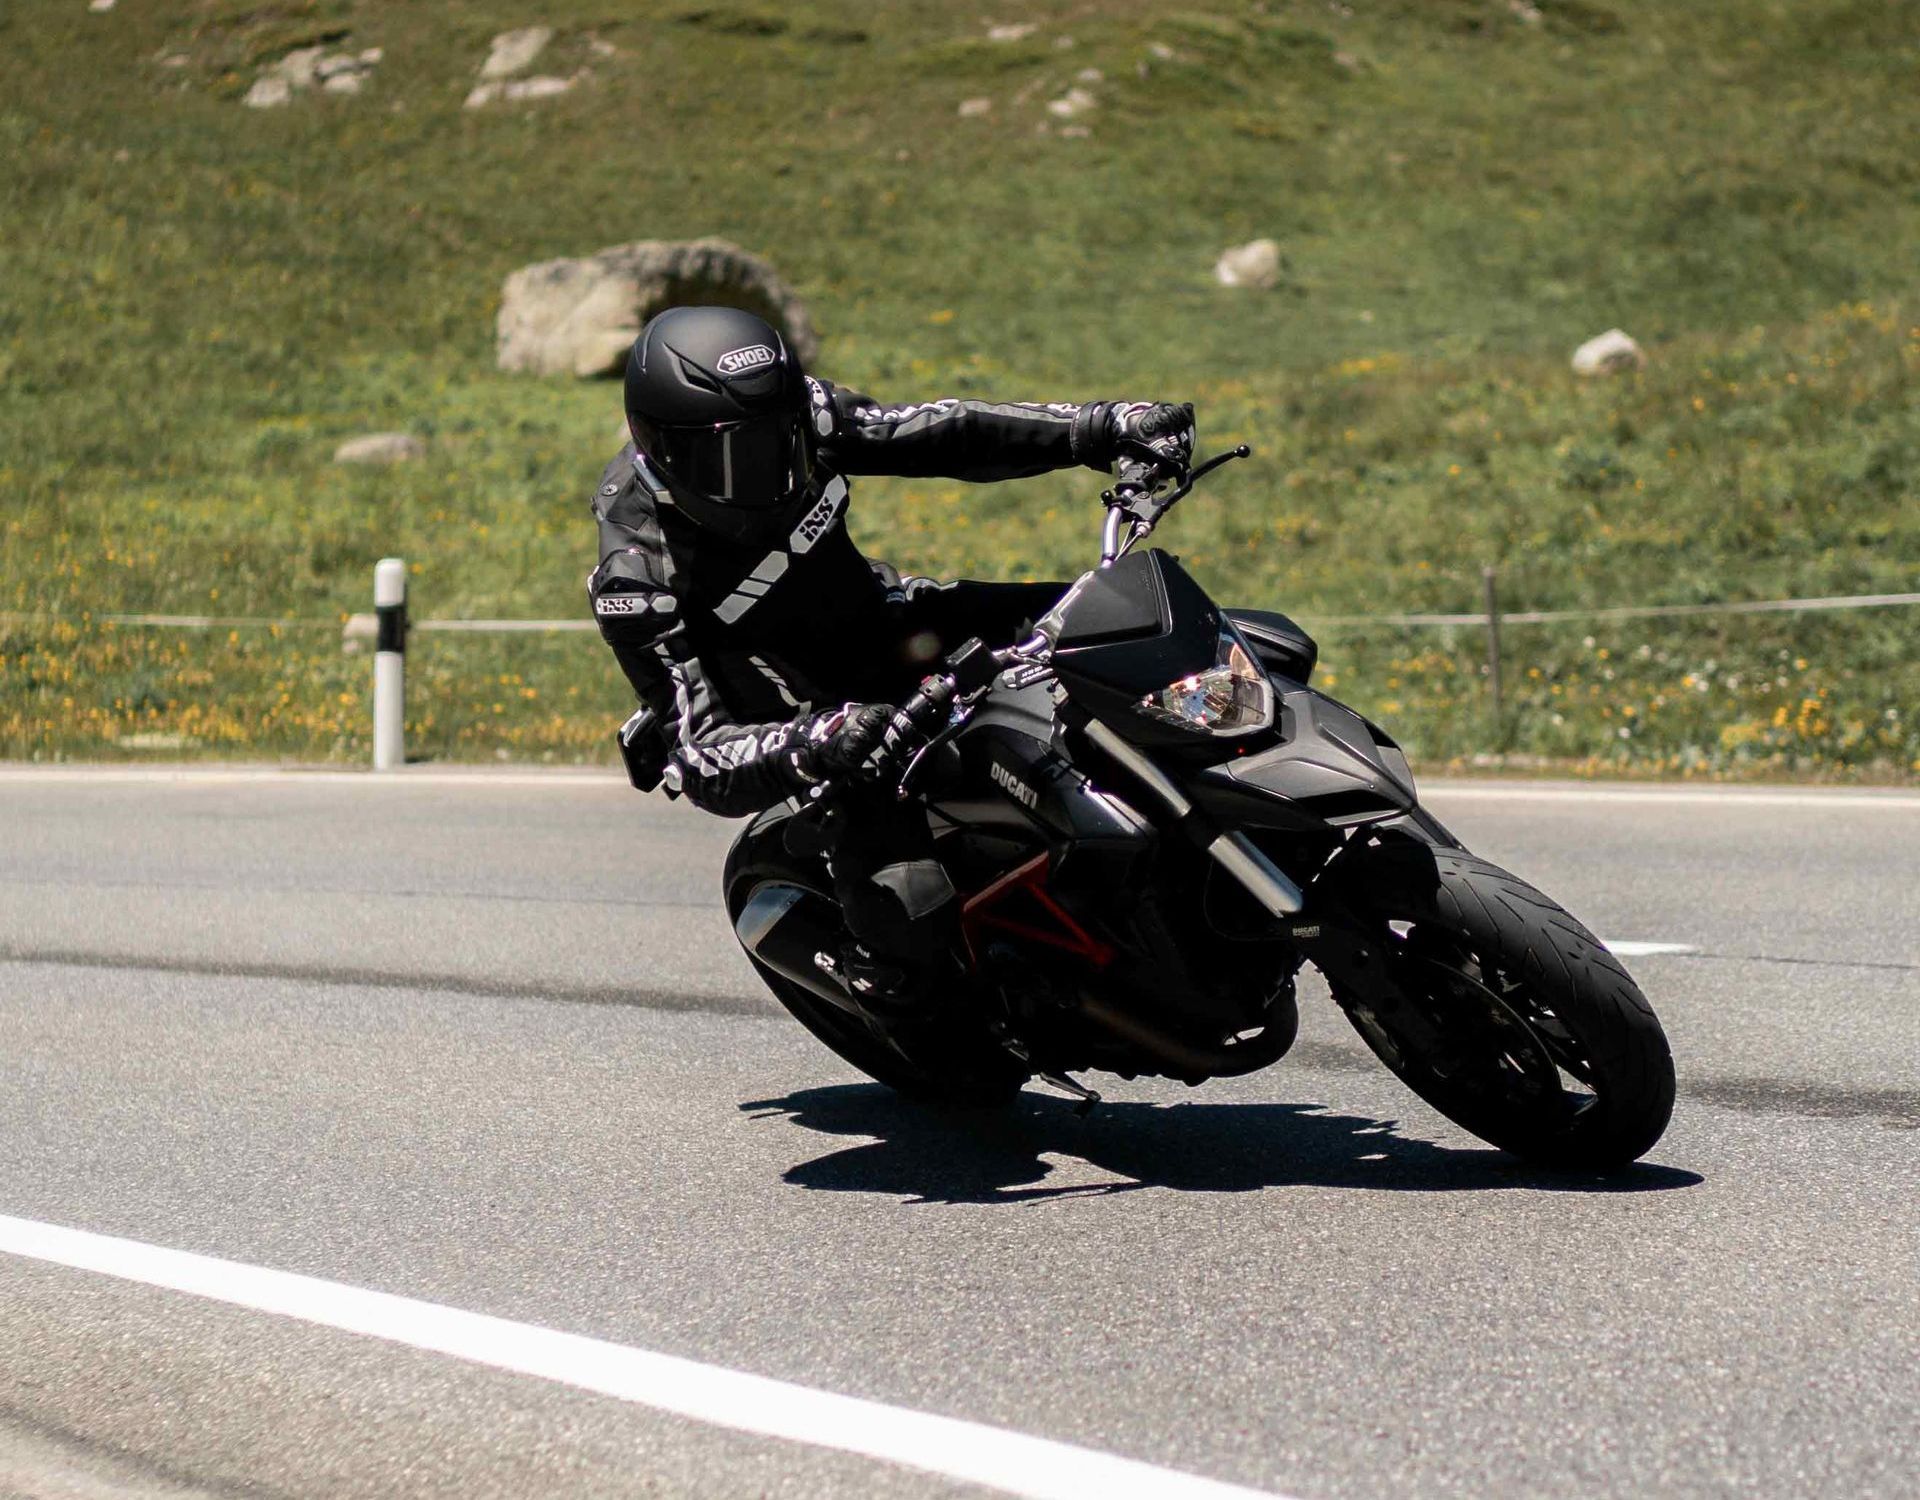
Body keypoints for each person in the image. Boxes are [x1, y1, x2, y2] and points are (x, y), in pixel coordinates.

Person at [589, 304, 1194, 1012]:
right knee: (909, 929)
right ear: (659, 446)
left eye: (777, 442)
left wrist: (1100, 426)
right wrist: (817, 742)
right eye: (731, 457)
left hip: (898, 628)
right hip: (814, 724)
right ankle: (918, 988)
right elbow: (696, 756)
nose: (768, 473)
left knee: (1118, 624)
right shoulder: (637, 569)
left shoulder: (807, 416)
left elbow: (945, 435)